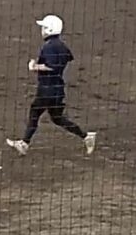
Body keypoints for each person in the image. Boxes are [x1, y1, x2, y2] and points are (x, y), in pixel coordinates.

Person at [6, 15, 97, 156]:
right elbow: (65, 60)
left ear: (49, 29)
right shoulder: (61, 46)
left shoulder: (49, 47)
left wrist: (34, 67)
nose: (42, 30)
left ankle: (24, 143)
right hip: (58, 90)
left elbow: (51, 66)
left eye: (43, 27)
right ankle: (86, 137)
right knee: (57, 118)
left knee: (35, 113)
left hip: (47, 90)